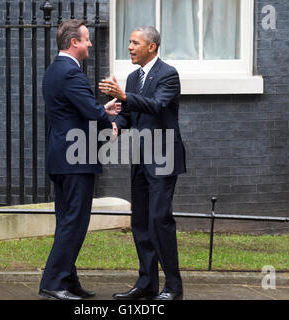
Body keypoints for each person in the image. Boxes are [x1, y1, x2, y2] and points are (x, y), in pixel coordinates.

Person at [99, 26, 186, 300]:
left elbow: (157, 106)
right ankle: (146, 283)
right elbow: (128, 115)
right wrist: (115, 127)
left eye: (135, 43)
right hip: (140, 158)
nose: (129, 47)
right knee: (140, 221)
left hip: (163, 157)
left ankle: (173, 287)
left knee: (160, 219)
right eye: (129, 42)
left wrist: (124, 97)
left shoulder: (168, 75)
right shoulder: (133, 77)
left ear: (152, 46)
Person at [39, 19, 120, 300]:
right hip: (75, 159)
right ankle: (52, 282)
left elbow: (76, 109)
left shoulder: (53, 71)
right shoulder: (72, 73)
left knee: (66, 220)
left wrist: (101, 109)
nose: (89, 44)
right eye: (86, 39)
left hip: (60, 158)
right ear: (74, 42)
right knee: (75, 220)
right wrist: (107, 122)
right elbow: (90, 112)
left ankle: (68, 281)